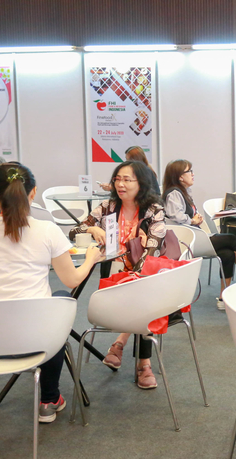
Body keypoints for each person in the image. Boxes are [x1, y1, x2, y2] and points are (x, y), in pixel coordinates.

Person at [0, 163, 105, 423]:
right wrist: (91, 259)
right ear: (33, 192)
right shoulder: (46, 230)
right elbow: (72, 279)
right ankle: (48, 400)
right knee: (59, 301)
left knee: (47, 309)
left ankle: (50, 397)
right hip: (34, 341)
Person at [70, 160, 166, 390]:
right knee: (142, 302)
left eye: (127, 180)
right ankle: (140, 362)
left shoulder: (153, 210)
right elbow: (74, 231)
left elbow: (152, 250)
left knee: (143, 299)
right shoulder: (108, 207)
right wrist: (92, 228)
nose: (120, 184)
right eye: (117, 179)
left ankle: (132, 353)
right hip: (112, 278)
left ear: (141, 183)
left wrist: (134, 276)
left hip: (142, 276)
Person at [162, 159, 236, 309]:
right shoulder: (174, 193)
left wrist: (196, 218)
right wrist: (192, 220)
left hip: (195, 234)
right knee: (231, 239)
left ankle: (223, 298)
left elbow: (187, 213)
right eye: (189, 171)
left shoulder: (184, 191)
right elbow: (175, 216)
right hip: (188, 241)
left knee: (227, 253)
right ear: (180, 176)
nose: (193, 174)